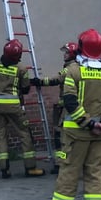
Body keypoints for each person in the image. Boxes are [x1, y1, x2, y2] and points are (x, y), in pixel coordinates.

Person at [51, 29, 101, 200]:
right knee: (95, 178)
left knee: (68, 178)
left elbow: (69, 101)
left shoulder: (73, 71)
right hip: (100, 136)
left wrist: (89, 123)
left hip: (75, 136)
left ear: (81, 47)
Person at [0, 39, 45, 178]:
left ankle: (4, 169)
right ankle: (30, 168)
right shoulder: (21, 69)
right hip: (14, 106)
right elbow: (26, 88)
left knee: (0, 135)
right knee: (25, 133)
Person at [31, 41, 79, 174]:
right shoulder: (77, 67)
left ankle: (61, 164)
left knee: (61, 137)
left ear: (73, 54)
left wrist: (38, 81)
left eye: (67, 52)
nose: (64, 55)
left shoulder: (69, 69)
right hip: (72, 108)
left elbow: (55, 80)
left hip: (66, 110)